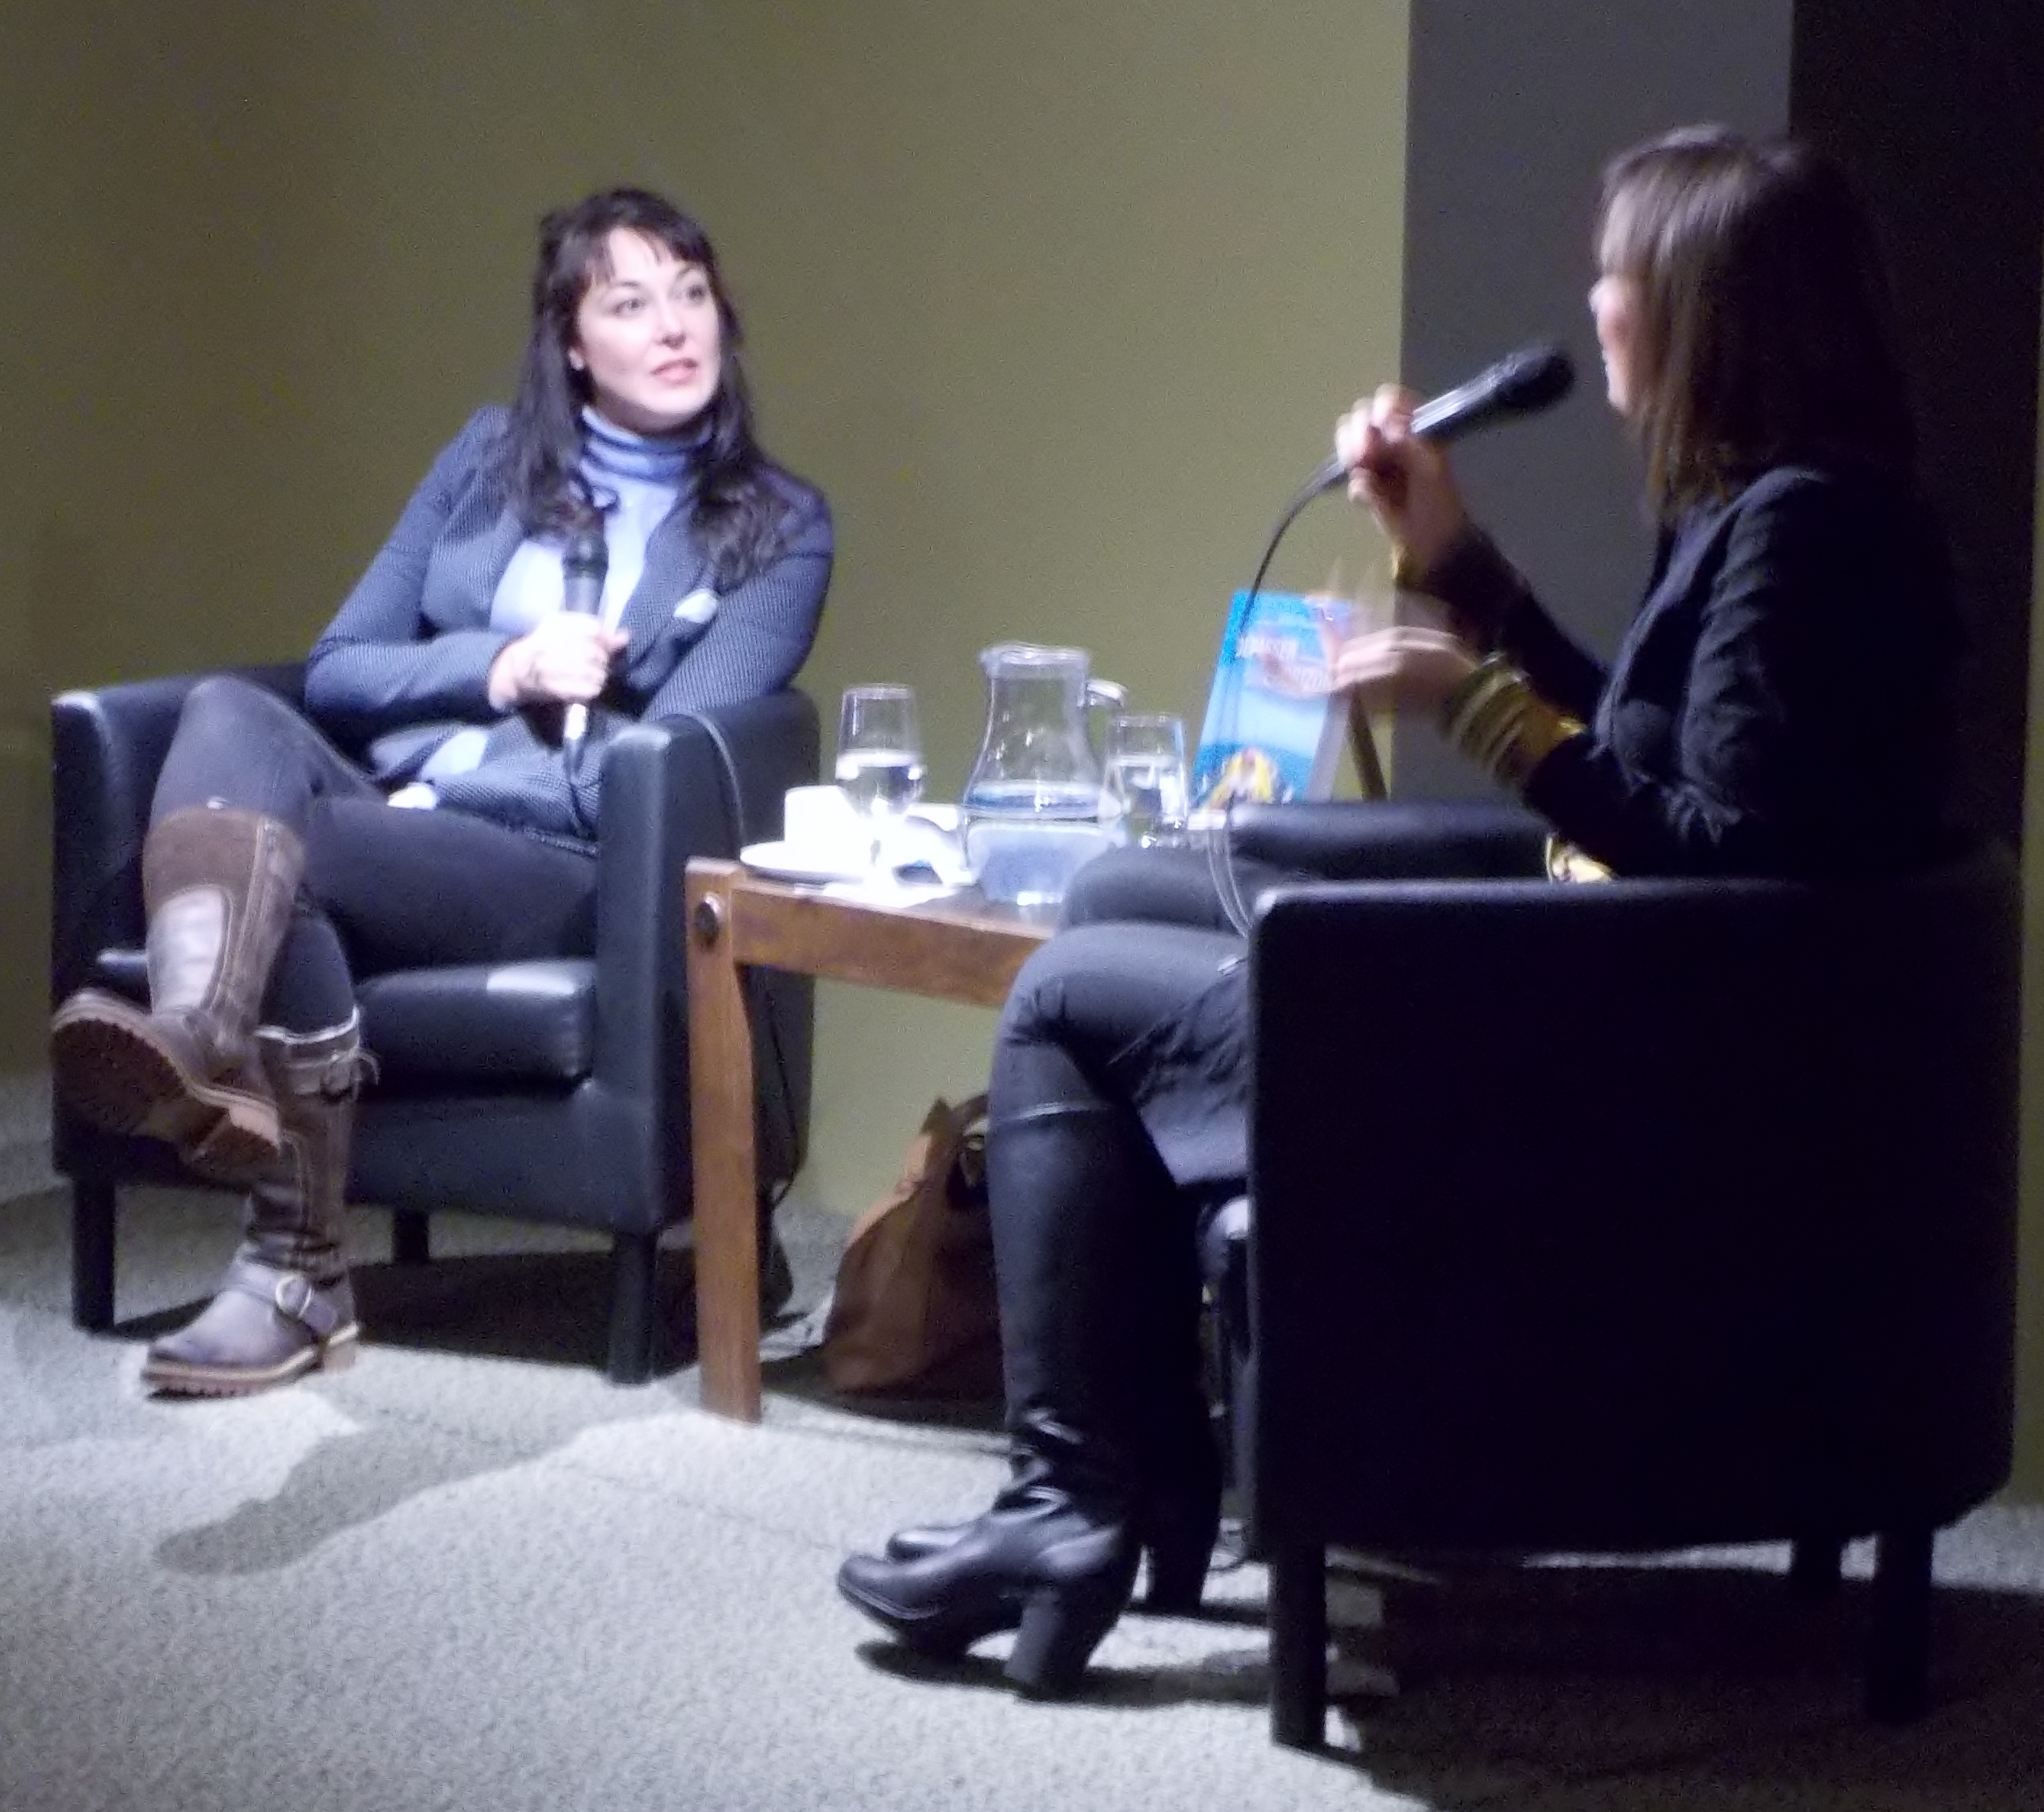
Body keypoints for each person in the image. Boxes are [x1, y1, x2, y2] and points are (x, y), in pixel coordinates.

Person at [835, 126, 1957, 1696]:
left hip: (1630, 1079)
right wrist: (1453, 565)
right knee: (1113, 891)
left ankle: (1071, 1502)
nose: (1592, 299)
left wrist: (1473, 701)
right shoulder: (1762, 507)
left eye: (1616, 273)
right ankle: (1147, 1479)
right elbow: (1658, 757)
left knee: (1062, 999)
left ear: (1702, 307)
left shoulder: (1805, 528)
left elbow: (1721, 854)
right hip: (1625, 1007)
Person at [50, 187, 833, 1397]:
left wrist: (477, 771)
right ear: (573, 342)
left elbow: (660, 765)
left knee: (292, 852)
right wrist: (502, 668)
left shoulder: (778, 528)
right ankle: (203, 1039)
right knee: (228, 714)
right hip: (396, 818)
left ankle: (289, 1260)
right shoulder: (482, 462)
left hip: (563, 865)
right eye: (630, 303)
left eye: (692, 296)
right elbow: (341, 668)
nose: (676, 326)